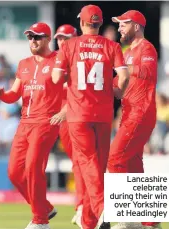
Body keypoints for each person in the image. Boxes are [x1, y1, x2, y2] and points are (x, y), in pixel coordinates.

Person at [52, 5, 130, 229]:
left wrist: (68, 71)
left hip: (78, 114)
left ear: (82, 23)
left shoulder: (69, 45)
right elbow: (123, 76)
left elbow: (57, 78)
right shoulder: (112, 46)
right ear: (98, 22)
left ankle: (102, 207)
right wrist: (118, 93)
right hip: (104, 114)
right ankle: (89, 220)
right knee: (98, 165)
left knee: (88, 164)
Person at [0, 22, 62, 229]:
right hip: (25, 123)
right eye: (30, 37)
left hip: (46, 121)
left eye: (37, 37)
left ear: (48, 38)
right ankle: (44, 208)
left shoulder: (58, 60)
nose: (33, 40)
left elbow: (72, 88)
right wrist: (2, 95)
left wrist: (66, 111)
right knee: (14, 172)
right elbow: (14, 94)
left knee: (32, 167)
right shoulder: (23, 64)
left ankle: (40, 221)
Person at [109, 10, 160, 229]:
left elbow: (148, 71)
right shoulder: (127, 52)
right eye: (118, 25)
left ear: (136, 26)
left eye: (123, 24)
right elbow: (120, 89)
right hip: (129, 113)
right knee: (132, 166)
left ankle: (127, 217)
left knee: (115, 159)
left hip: (141, 112)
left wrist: (122, 70)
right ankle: (150, 221)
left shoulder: (146, 48)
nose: (119, 28)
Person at [51, 24, 85, 227]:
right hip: (58, 117)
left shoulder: (81, 57)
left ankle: (84, 206)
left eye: (66, 38)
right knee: (78, 163)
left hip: (76, 114)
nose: (61, 41)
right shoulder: (54, 58)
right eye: (59, 38)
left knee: (83, 163)